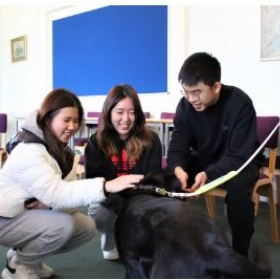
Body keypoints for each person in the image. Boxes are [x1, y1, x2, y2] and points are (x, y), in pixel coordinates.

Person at [0, 88, 143, 279]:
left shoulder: (61, 151)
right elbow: (59, 194)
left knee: (85, 226)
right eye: (66, 120)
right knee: (63, 225)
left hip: (26, 214)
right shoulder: (29, 150)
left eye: (76, 121)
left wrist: (49, 203)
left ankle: (30, 261)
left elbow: (68, 198)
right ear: (48, 117)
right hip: (6, 217)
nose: (72, 126)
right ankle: (16, 266)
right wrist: (108, 186)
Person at [167, 52, 264, 258]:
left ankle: (240, 254)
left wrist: (209, 174)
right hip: (207, 160)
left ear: (216, 87)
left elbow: (239, 155)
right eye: (186, 91)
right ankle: (175, 246)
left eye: (197, 92)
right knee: (171, 180)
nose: (191, 99)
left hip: (241, 162)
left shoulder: (240, 103)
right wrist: (178, 169)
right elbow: (177, 147)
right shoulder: (185, 106)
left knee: (238, 189)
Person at [85, 84, 162, 260]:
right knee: (99, 213)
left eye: (132, 112)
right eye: (120, 112)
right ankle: (110, 237)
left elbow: (153, 179)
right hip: (111, 199)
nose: (126, 118)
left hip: (141, 198)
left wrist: (134, 204)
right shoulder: (96, 143)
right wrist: (120, 202)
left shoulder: (151, 140)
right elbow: (95, 183)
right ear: (109, 112)